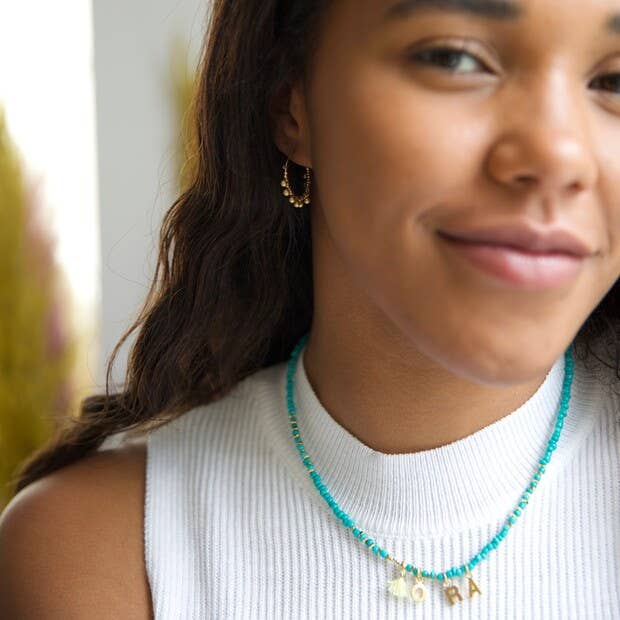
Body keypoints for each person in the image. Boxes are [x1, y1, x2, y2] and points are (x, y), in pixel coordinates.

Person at [1, 0, 620, 617]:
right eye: (455, 59)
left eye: (613, 80)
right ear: (290, 104)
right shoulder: (102, 559)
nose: (557, 157)